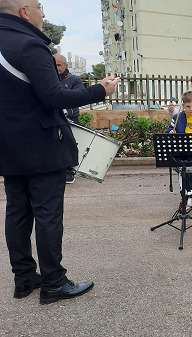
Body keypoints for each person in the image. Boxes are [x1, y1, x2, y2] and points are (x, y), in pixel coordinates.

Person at [0, 0, 118, 304]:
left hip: (8, 144)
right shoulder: (30, 45)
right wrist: (100, 90)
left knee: (17, 211)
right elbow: (54, 96)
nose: (43, 13)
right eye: (40, 7)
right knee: (47, 214)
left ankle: (24, 278)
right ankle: (54, 282)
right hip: (41, 144)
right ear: (24, 11)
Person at [54, 54, 85, 184]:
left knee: (70, 144)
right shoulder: (47, 79)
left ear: (66, 66)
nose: (56, 67)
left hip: (70, 118)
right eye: (53, 64)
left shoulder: (75, 80)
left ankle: (69, 170)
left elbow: (79, 95)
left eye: (59, 65)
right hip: (52, 118)